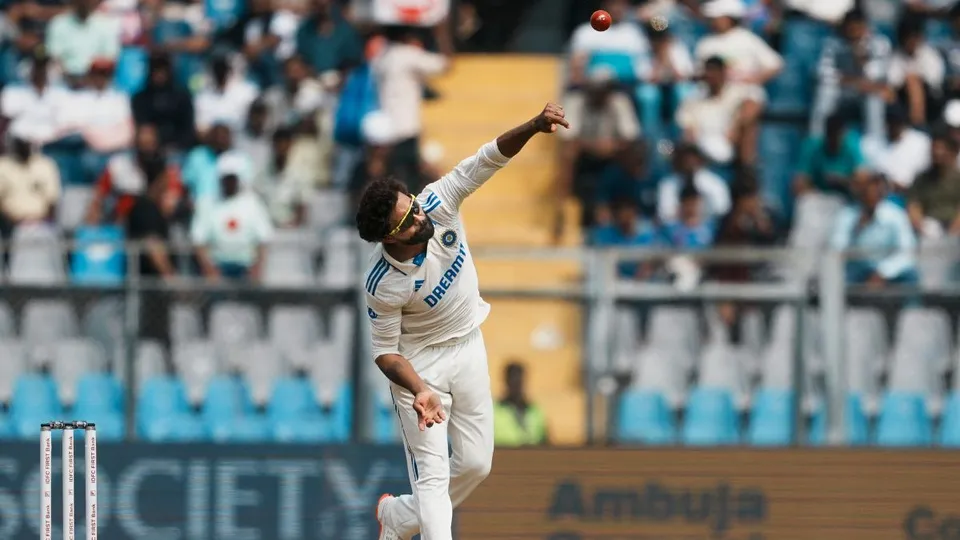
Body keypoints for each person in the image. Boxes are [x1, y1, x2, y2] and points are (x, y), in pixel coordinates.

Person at [358, 103, 569, 540]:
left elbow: (488, 158)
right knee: (432, 476)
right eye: (408, 220)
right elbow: (385, 352)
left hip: (468, 344)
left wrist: (534, 125)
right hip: (420, 365)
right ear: (389, 236)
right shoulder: (383, 282)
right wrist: (419, 390)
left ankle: (398, 516)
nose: (420, 217)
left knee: (476, 464)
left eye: (413, 206)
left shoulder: (437, 203)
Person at [492, 362, 548, 447]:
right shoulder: (494, 411)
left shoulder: (535, 411)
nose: (516, 386)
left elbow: (545, 442)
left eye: (519, 381)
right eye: (513, 381)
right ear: (506, 382)